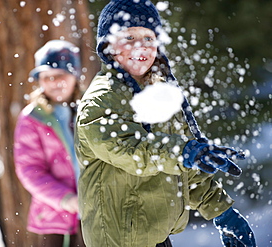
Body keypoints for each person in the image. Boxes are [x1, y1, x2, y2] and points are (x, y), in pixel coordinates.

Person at [74, 0, 256, 247]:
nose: (141, 46)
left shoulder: (158, 91)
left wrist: (220, 210)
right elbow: (134, 151)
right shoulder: (101, 100)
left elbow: (184, 163)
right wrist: (184, 152)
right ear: (109, 46)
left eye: (149, 38)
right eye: (129, 37)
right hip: (119, 240)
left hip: (156, 235)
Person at [13, 40, 85, 247]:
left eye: (60, 75)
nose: (54, 82)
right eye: (47, 77)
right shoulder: (33, 118)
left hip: (94, 213)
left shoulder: (89, 111)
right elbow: (30, 170)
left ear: (74, 77)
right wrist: (66, 199)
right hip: (55, 219)